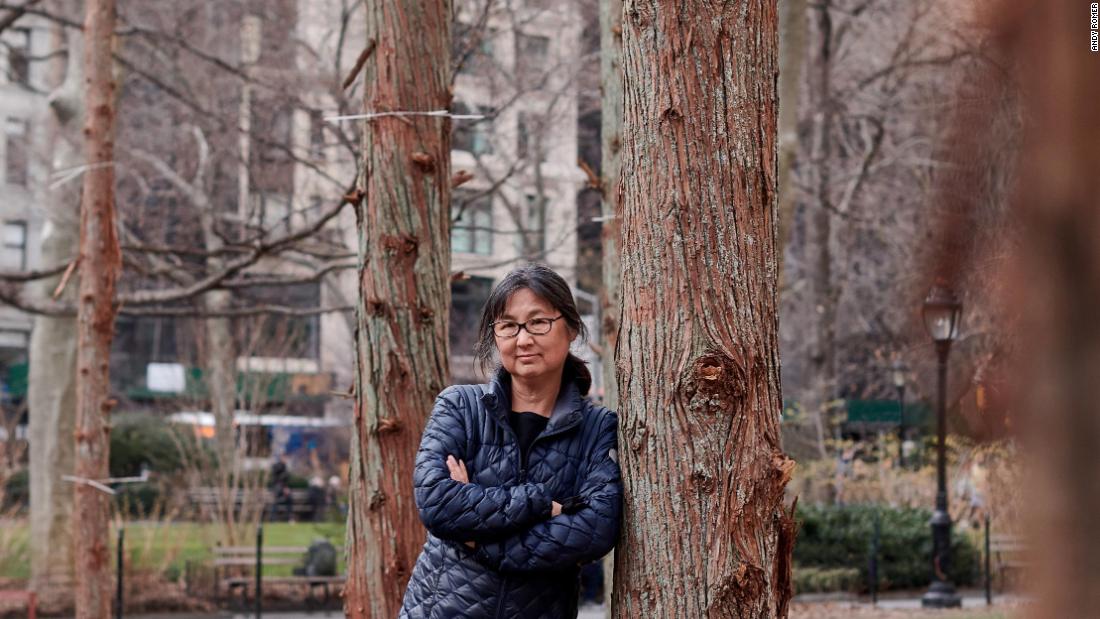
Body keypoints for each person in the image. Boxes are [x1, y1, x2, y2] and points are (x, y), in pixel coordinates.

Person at [399, 264, 623, 619]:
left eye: (538, 322)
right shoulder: (459, 407)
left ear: (571, 329)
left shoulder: (596, 427)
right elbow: (437, 502)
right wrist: (540, 504)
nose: (523, 339)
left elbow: (595, 530)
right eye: (508, 326)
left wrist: (478, 540)